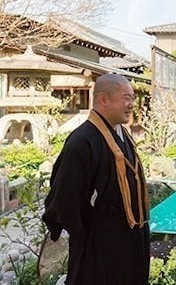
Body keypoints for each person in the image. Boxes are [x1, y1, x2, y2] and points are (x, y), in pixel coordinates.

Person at [42, 74, 150, 285]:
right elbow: (66, 198)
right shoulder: (82, 141)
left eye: (132, 98)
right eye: (125, 98)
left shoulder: (122, 134)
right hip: (100, 247)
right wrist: (86, 237)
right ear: (103, 99)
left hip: (128, 241)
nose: (131, 104)